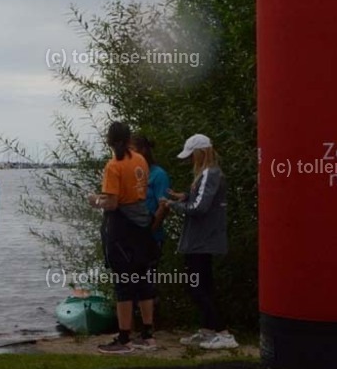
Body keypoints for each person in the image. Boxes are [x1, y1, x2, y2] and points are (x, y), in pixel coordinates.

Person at [162, 133, 238, 350]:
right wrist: (184, 196)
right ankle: (208, 329)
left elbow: (200, 208)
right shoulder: (209, 174)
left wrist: (172, 205)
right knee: (203, 284)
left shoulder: (208, 174)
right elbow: (201, 200)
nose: (189, 160)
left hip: (201, 240)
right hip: (203, 239)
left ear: (200, 153)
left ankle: (222, 332)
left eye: (191, 155)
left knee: (195, 286)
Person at [88, 122, 159, 354]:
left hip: (122, 228)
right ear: (129, 139)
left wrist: (95, 200)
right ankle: (148, 335)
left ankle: (124, 338)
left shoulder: (113, 166)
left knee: (123, 284)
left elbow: (113, 202)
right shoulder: (140, 160)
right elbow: (135, 191)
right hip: (142, 223)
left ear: (108, 140)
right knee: (143, 280)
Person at [132, 134, 171, 347]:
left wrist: (150, 231)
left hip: (150, 238)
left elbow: (163, 206)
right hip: (131, 238)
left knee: (147, 282)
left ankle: (150, 329)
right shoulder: (135, 174)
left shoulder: (158, 175)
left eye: (132, 150)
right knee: (132, 283)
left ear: (143, 151)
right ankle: (136, 328)